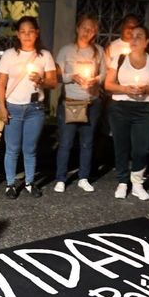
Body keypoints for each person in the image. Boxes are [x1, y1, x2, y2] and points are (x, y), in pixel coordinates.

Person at [0, 16, 58, 199]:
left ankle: (30, 182)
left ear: (37, 33)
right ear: (17, 34)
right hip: (13, 107)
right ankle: (10, 183)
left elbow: (53, 82)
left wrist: (42, 81)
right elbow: (1, 83)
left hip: (35, 109)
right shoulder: (9, 55)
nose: (27, 35)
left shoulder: (44, 56)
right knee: (12, 148)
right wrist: (2, 106)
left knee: (30, 149)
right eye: (23, 32)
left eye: (30, 31)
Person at [104, 24, 149, 200]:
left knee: (141, 148)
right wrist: (125, 89)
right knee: (121, 146)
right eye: (132, 36)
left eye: (139, 36)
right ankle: (123, 182)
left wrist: (147, 88)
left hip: (143, 109)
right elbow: (108, 84)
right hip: (120, 108)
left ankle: (137, 182)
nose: (134, 39)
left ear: (147, 42)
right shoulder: (119, 59)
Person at [54, 13, 106, 193]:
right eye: (84, 28)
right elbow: (56, 75)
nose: (87, 32)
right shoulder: (66, 50)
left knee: (87, 142)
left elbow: (104, 74)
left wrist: (95, 80)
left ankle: (83, 177)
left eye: (91, 30)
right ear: (77, 28)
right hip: (71, 102)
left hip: (91, 102)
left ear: (96, 32)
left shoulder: (98, 51)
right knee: (66, 142)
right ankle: (61, 178)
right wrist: (72, 76)